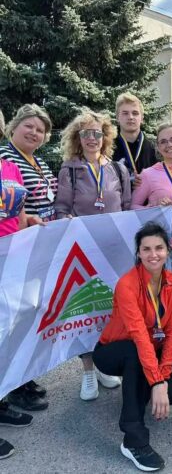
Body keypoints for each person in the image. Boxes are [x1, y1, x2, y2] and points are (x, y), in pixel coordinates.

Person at [92, 222, 172, 472]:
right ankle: (133, 440)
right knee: (135, 353)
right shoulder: (127, 284)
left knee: (170, 393)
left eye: (159, 248)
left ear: (168, 251)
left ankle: (137, 390)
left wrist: (163, 377)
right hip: (113, 350)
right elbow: (139, 336)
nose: (153, 254)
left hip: (150, 348)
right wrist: (156, 381)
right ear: (139, 253)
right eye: (146, 249)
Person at [55, 110, 131, 401]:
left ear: (105, 137)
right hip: (82, 254)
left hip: (113, 254)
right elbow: (61, 209)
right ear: (78, 137)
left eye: (97, 133)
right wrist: (66, 222)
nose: (92, 138)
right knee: (84, 311)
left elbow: (126, 209)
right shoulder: (70, 170)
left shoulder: (118, 170)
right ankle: (87, 371)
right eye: (86, 133)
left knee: (108, 310)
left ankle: (102, 365)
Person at [0, 104, 57, 412]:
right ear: (14, 126)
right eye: (29, 126)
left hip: (37, 246)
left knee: (29, 314)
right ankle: (12, 386)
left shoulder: (40, 161)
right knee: (12, 319)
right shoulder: (5, 158)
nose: (34, 133)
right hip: (13, 248)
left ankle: (21, 377)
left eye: (40, 129)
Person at [0, 109, 43, 460]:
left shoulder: (9, 167)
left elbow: (17, 213)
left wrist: (31, 221)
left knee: (6, 332)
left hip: (12, 259)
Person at [131, 123, 172, 308]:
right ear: (158, 147)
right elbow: (132, 207)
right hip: (158, 248)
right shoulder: (148, 174)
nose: (169, 145)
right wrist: (154, 207)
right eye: (163, 141)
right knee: (156, 303)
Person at [113, 92, 157, 184]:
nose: (130, 117)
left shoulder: (154, 149)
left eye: (135, 113)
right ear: (117, 117)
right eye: (125, 113)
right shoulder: (108, 148)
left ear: (142, 118)